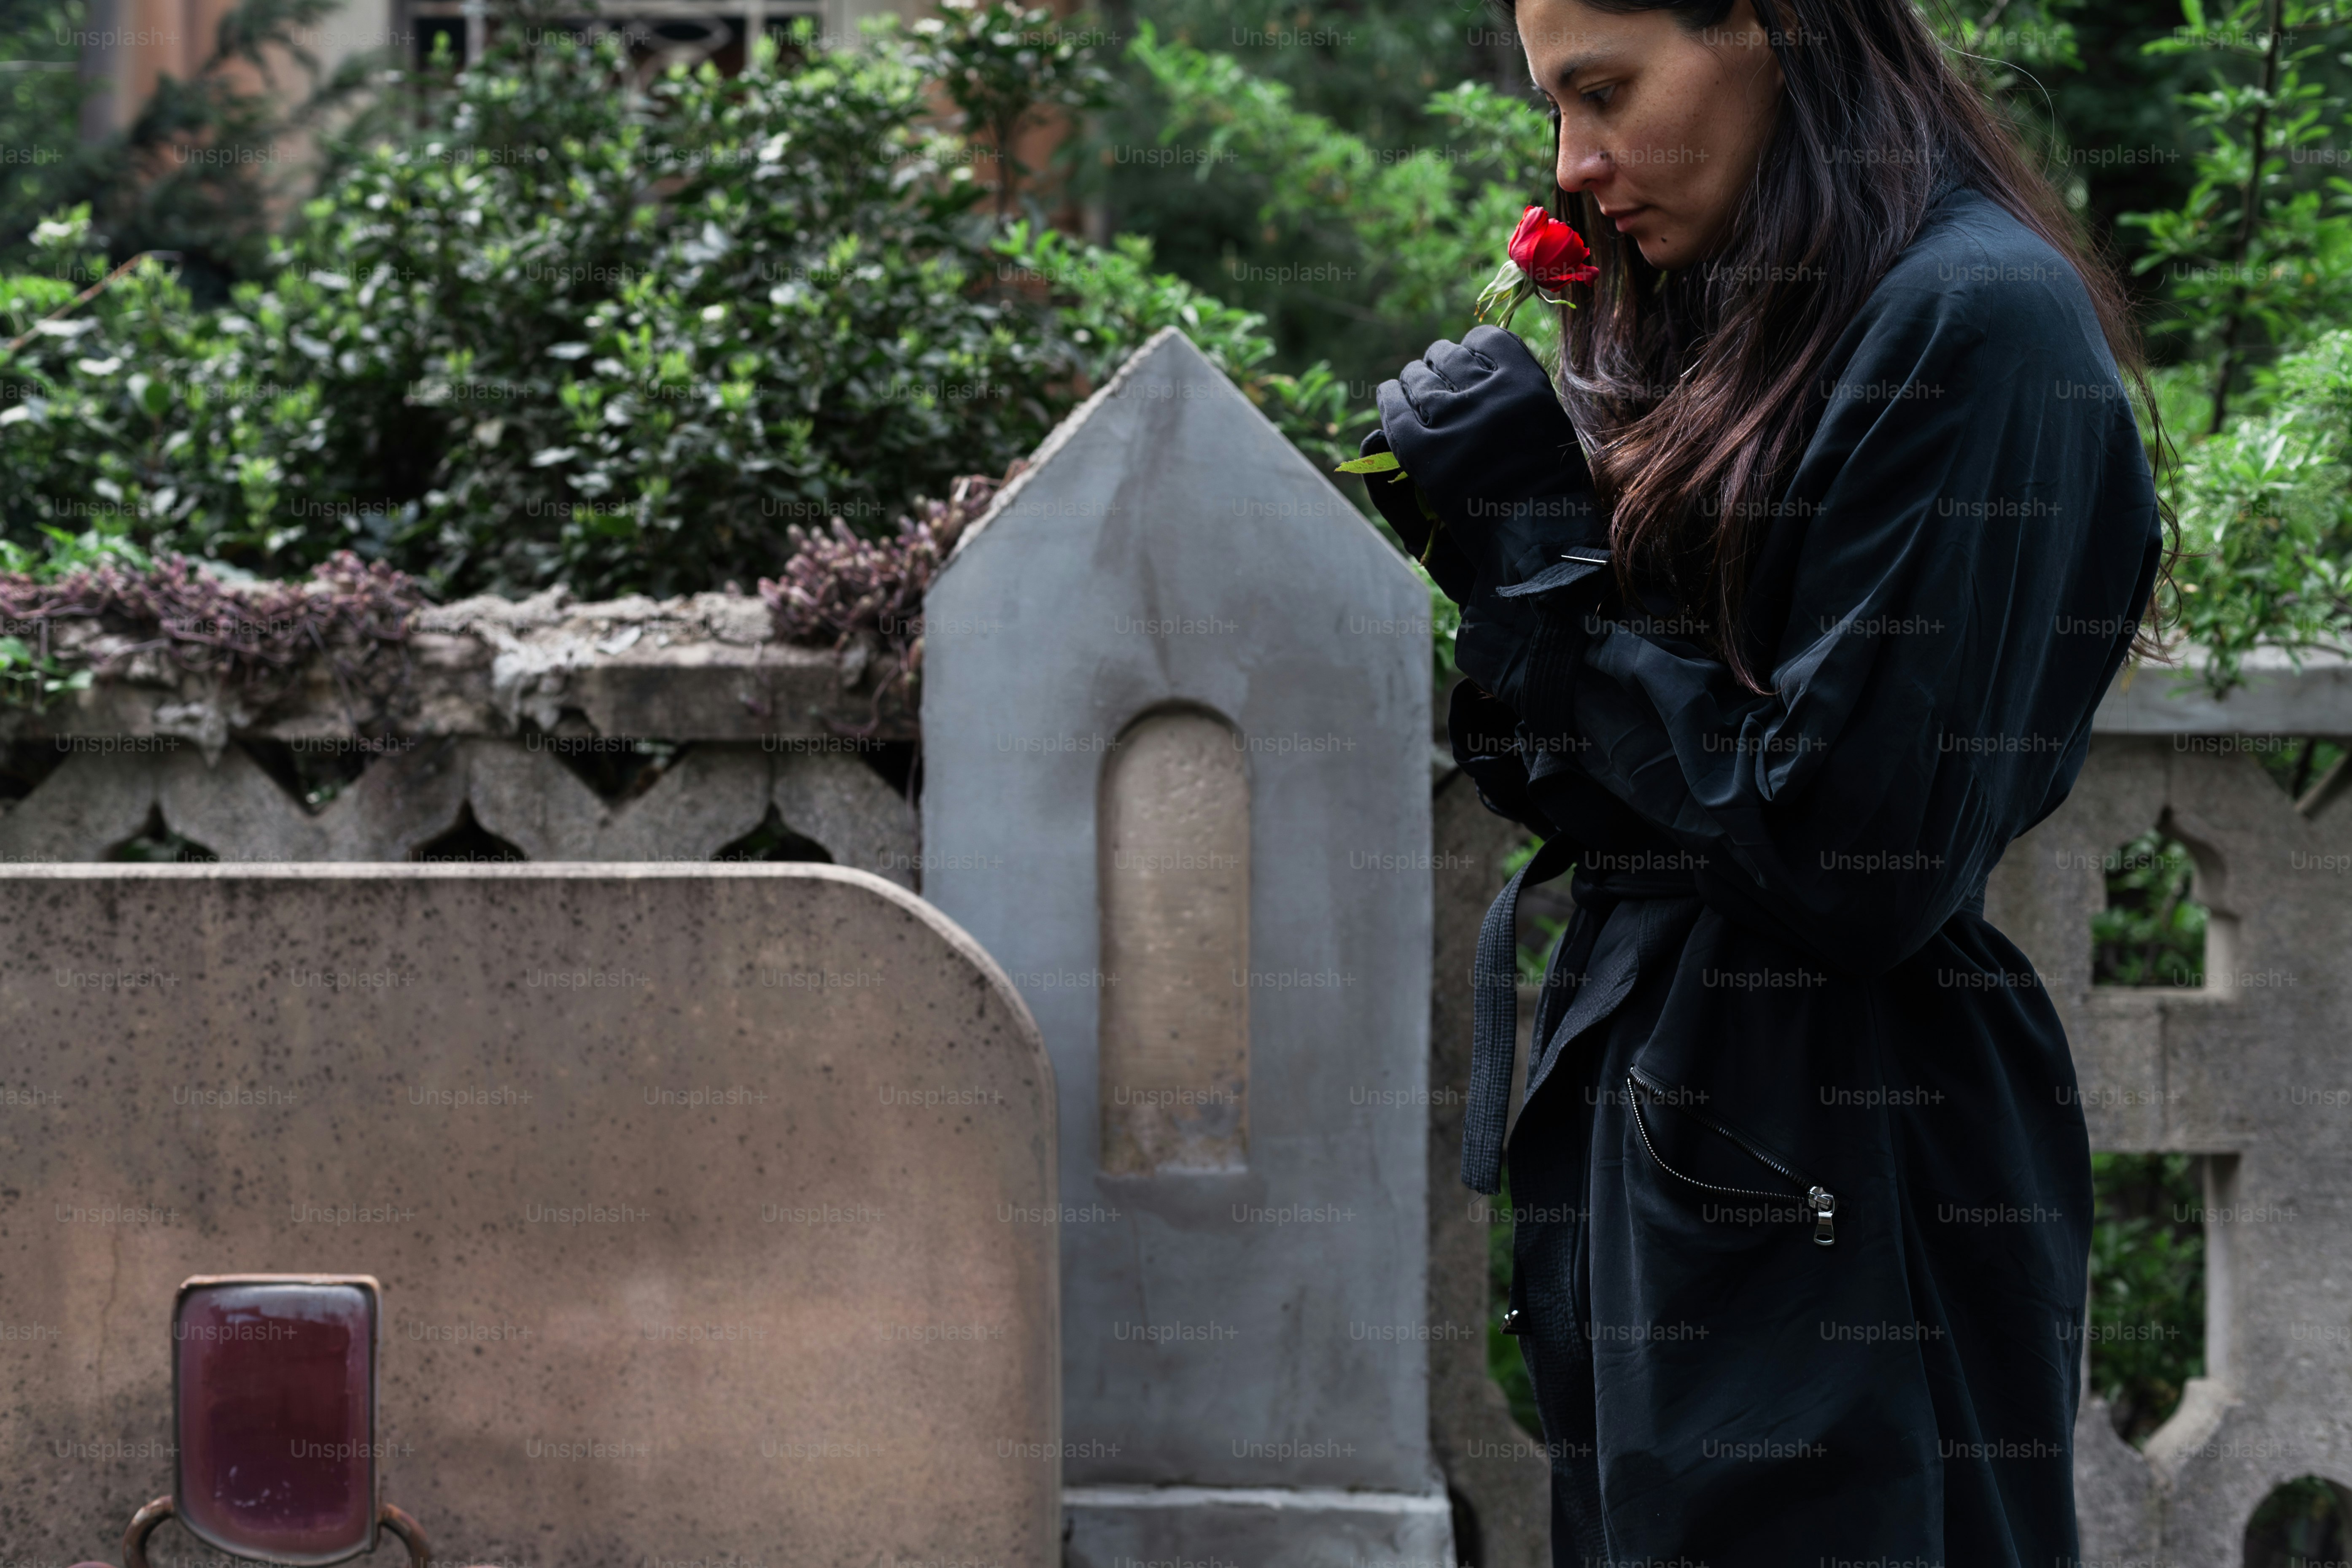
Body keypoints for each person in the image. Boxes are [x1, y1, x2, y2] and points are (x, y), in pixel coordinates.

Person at [1356, 0, 2171, 1561]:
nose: (1573, 164)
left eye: (1604, 92)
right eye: (1555, 106)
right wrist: (1509, 558)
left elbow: (1857, 858)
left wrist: (1554, 581)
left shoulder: (1977, 324)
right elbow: (1620, 791)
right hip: (1678, 1128)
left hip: (1849, 1169)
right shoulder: (1759, 305)